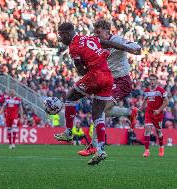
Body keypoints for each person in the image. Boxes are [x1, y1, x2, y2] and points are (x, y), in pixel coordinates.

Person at [54, 22, 117, 165]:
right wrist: (126, 48)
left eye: (61, 35)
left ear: (67, 33)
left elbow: (81, 71)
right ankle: (100, 149)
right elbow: (107, 44)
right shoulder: (89, 38)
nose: (60, 37)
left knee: (70, 98)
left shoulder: (73, 47)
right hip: (108, 77)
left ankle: (68, 133)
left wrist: (86, 70)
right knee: (98, 114)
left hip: (96, 75)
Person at [78, 19, 141, 157]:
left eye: (99, 32)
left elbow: (132, 45)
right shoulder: (97, 44)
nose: (96, 34)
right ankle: (129, 113)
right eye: (95, 32)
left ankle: (94, 146)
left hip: (121, 81)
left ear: (107, 32)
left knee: (101, 109)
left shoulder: (117, 39)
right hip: (107, 81)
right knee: (100, 111)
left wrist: (136, 49)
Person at [140, 74, 169, 157]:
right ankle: (147, 151)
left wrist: (159, 110)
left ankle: (161, 147)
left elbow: (166, 102)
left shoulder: (161, 90)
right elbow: (145, 100)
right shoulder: (147, 91)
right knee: (147, 129)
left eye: (153, 79)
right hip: (149, 113)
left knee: (158, 131)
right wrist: (140, 109)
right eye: (151, 79)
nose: (152, 81)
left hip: (158, 114)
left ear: (156, 81)